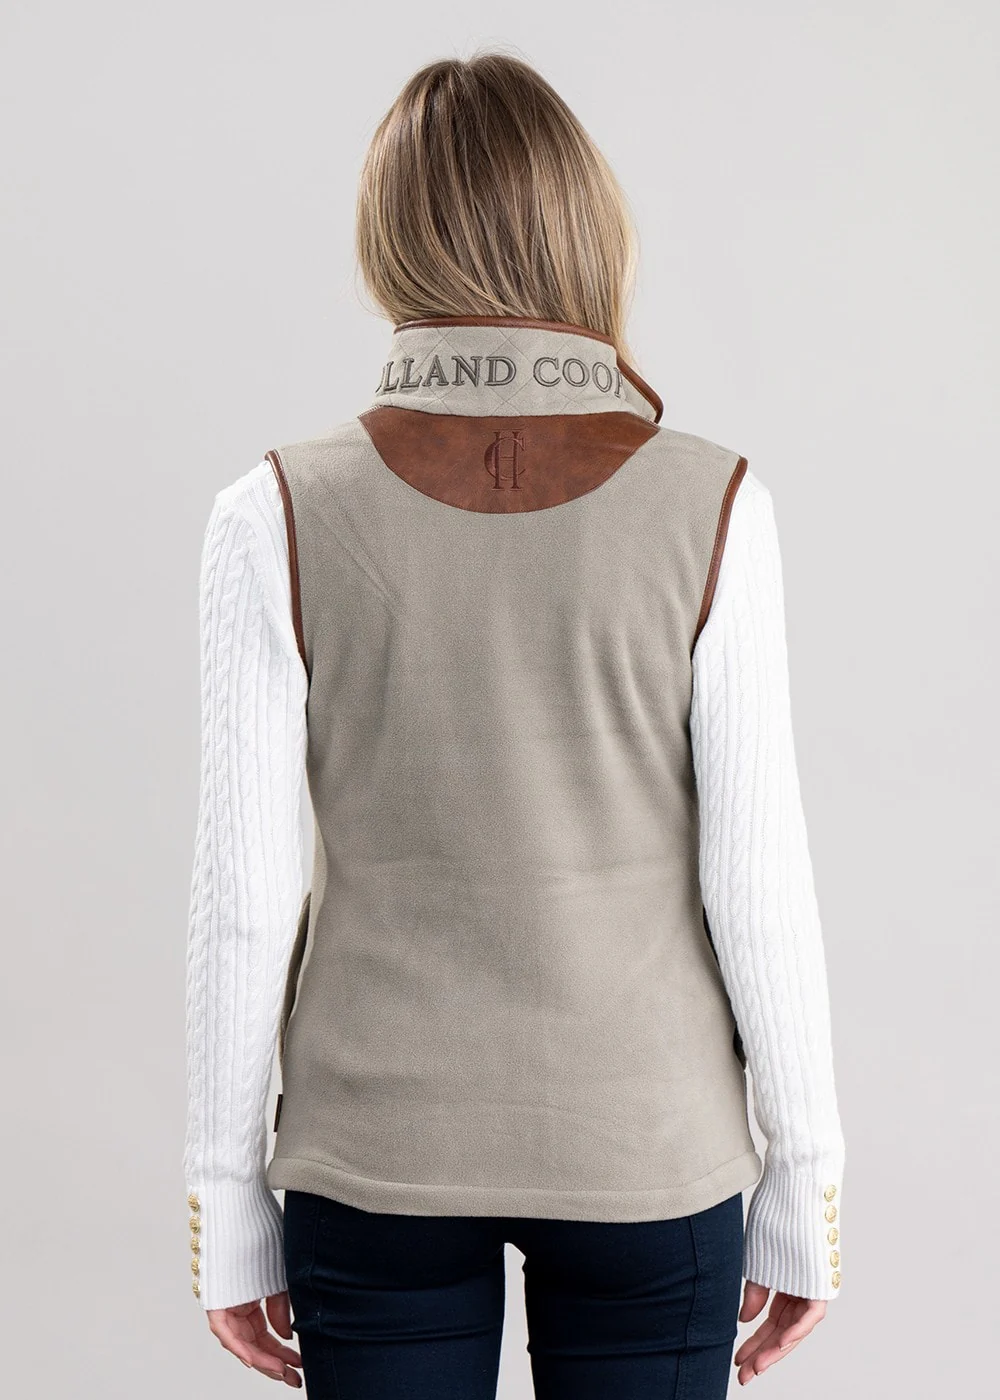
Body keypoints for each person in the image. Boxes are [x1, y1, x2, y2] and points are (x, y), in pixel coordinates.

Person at [183, 50, 845, 1399]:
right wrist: (807, 1187)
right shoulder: (716, 506)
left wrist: (224, 1203)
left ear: (389, 240)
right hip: (647, 1150)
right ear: (586, 227)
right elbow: (759, 880)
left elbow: (243, 898)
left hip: (374, 1161)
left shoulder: (275, 514)